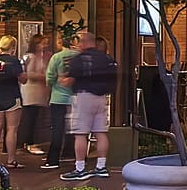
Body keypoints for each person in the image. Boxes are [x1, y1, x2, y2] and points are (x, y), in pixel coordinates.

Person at [61, 31, 118, 180]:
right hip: (101, 98)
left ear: (85, 42)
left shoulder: (79, 59)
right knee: (101, 132)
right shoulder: (107, 59)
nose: (79, 45)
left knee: (80, 134)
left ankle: (80, 168)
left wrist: (63, 80)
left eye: (80, 42)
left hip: (83, 97)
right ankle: (101, 167)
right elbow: (113, 79)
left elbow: (70, 80)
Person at [0, 34, 25, 169]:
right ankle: (11, 160)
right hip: (12, 96)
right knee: (12, 129)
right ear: (13, 48)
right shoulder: (13, 61)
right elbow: (23, 79)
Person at [41, 34, 78, 170]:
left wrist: (54, 84)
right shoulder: (78, 56)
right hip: (76, 97)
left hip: (58, 97)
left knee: (58, 129)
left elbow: (49, 78)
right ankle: (71, 154)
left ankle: (53, 160)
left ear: (61, 43)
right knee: (74, 128)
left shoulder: (56, 57)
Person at [18, 34, 52, 155]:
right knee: (30, 118)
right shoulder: (31, 57)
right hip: (31, 92)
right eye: (43, 43)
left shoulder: (43, 57)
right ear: (37, 44)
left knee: (37, 119)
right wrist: (45, 77)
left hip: (40, 92)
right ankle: (29, 143)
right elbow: (30, 74)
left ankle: (31, 143)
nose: (45, 46)